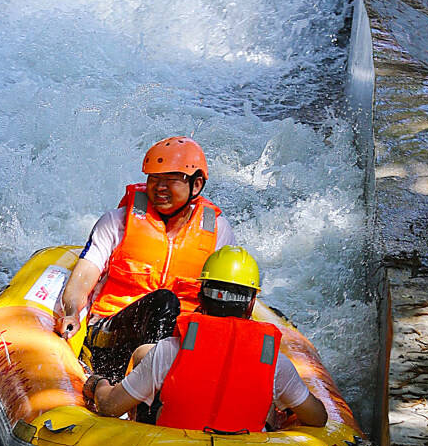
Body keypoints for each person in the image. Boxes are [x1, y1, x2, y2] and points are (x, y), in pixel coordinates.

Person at [82, 246, 328, 430]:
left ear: (200, 297)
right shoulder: (274, 362)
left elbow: (110, 406)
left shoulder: (170, 350)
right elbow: (318, 417)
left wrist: (95, 384)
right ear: (252, 303)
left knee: (144, 354)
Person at [55, 137, 236, 382]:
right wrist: (71, 312)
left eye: (170, 180)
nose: (160, 187)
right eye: (154, 179)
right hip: (113, 332)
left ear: (196, 185)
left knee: (173, 310)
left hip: (180, 342)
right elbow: (84, 276)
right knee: (164, 301)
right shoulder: (116, 221)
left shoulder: (217, 231)